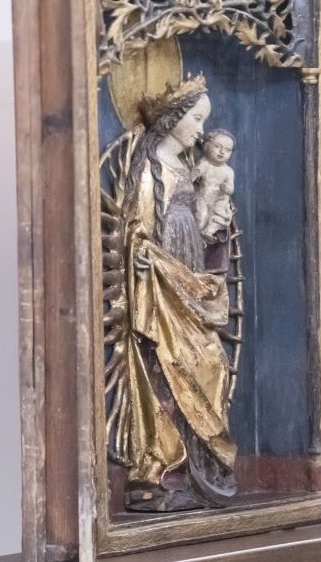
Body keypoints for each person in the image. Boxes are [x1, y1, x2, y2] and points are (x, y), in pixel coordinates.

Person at [112, 74, 237, 512]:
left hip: (188, 276)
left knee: (211, 363)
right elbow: (138, 234)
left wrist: (211, 226)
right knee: (170, 367)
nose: (202, 130)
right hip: (164, 288)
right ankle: (161, 471)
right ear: (174, 119)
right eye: (197, 119)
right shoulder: (150, 169)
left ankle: (198, 464)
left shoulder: (186, 167)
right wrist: (148, 260)